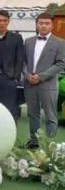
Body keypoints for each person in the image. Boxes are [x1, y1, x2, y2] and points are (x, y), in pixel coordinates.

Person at [23, 12, 65, 148]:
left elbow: (60, 64)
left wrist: (41, 77)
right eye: (41, 23)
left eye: (47, 23)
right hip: (30, 83)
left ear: (52, 25)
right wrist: (27, 75)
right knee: (32, 114)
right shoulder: (28, 41)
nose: (44, 26)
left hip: (48, 84)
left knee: (50, 116)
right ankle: (34, 142)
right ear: (36, 24)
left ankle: (50, 145)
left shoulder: (60, 43)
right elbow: (23, 62)